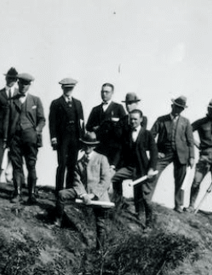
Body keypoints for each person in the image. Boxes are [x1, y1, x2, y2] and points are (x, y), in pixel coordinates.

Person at [56, 131, 113, 248]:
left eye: (90, 145)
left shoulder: (102, 159)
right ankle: (58, 221)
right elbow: (77, 181)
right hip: (82, 193)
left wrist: (93, 195)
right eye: (85, 144)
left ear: (94, 146)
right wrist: (83, 195)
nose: (87, 147)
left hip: (99, 196)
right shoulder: (78, 163)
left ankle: (99, 251)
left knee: (100, 225)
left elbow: (106, 180)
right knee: (62, 194)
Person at [148, 96, 197, 212]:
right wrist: (155, 152)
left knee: (181, 179)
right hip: (164, 153)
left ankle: (178, 205)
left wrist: (192, 156)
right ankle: (146, 200)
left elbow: (190, 141)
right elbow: (150, 137)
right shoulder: (161, 120)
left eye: (181, 108)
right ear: (172, 106)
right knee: (153, 173)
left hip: (181, 154)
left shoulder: (186, 122)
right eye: (177, 107)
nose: (178, 110)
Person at [111, 110, 159, 227]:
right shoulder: (126, 133)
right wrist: (113, 166)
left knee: (145, 197)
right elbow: (120, 150)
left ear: (141, 119)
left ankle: (149, 222)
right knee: (113, 178)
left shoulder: (147, 134)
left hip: (142, 170)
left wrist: (151, 168)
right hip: (128, 168)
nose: (132, 121)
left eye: (135, 119)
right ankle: (117, 207)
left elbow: (154, 153)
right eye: (131, 119)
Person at [8, 72, 46, 205]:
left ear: (29, 85)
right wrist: (7, 139)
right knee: (16, 166)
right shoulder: (12, 101)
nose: (24, 86)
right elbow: (7, 121)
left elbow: (42, 120)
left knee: (31, 165)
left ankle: (31, 194)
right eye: (22, 83)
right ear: (18, 84)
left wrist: (37, 130)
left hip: (30, 138)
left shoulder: (36, 100)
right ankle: (17, 192)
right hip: (15, 139)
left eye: (27, 84)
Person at [48, 78, 85, 213]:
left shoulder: (77, 103)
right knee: (62, 164)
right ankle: (58, 190)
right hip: (62, 138)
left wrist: (82, 138)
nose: (68, 90)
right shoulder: (56, 103)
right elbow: (52, 122)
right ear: (62, 88)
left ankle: (69, 190)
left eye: (70, 88)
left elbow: (81, 122)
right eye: (66, 88)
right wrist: (53, 138)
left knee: (72, 164)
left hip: (74, 138)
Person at [0, 67, 21, 196]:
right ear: (5, 78)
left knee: (15, 158)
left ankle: (15, 185)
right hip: (1, 132)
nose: (11, 81)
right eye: (9, 78)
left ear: (16, 80)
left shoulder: (20, 95)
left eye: (13, 79)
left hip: (15, 132)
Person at [86, 83, 128, 167]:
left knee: (111, 171)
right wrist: (95, 128)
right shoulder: (96, 109)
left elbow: (125, 125)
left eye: (107, 92)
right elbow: (88, 126)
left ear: (112, 93)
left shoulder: (118, 107)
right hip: (99, 146)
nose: (104, 94)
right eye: (102, 92)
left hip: (113, 147)